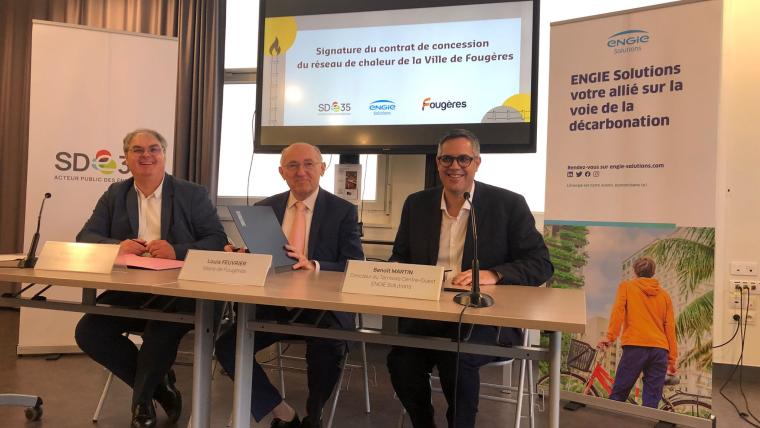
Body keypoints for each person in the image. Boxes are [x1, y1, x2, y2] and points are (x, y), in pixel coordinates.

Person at [387, 129, 553, 428]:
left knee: (457, 357)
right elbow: (399, 257)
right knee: (401, 361)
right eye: (447, 159)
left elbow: (541, 264)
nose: (455, 166)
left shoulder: (508, 204)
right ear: (437, 163)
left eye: (463, 159)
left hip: (485, 319)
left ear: (477, 162)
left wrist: (495, 274)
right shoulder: (417, 203)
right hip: (427, 313)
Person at [74, 129, 227, 428]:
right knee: (89, 332)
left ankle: (142, 403)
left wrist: (176, 251)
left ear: (164, 154)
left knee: (160, 328)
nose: (146, 155)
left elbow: (217, 240)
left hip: (182, 290)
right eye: (138, 150)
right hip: (132, 287)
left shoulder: (191, 193)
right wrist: (116, 247)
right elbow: (85, 237)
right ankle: (163, 389)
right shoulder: (115, 194)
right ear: (126, 157)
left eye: (154, 149)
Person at [215, 142, 364, 428]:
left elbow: (353, 264)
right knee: (227, 345)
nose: (301, 171)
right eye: (293, 165)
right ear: (282, 172)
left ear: (322, 168)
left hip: (322, 308)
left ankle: (313, 416)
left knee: (327, 348)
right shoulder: (264, 208)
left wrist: (314, 264)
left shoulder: (342, 210)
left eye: (309, 164)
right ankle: (282, 412)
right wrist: (243, 256)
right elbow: (262, 258)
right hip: (274, 305)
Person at [597, 256, 677, 408]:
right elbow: (670, 328)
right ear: (653, 273)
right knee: (651, 404)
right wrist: (672, 360)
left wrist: (610, 337)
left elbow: (618, 313)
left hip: (635, 347)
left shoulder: (627, 287)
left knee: (618, 396)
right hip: (659, 351)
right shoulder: (664, 296)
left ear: (634, 271)